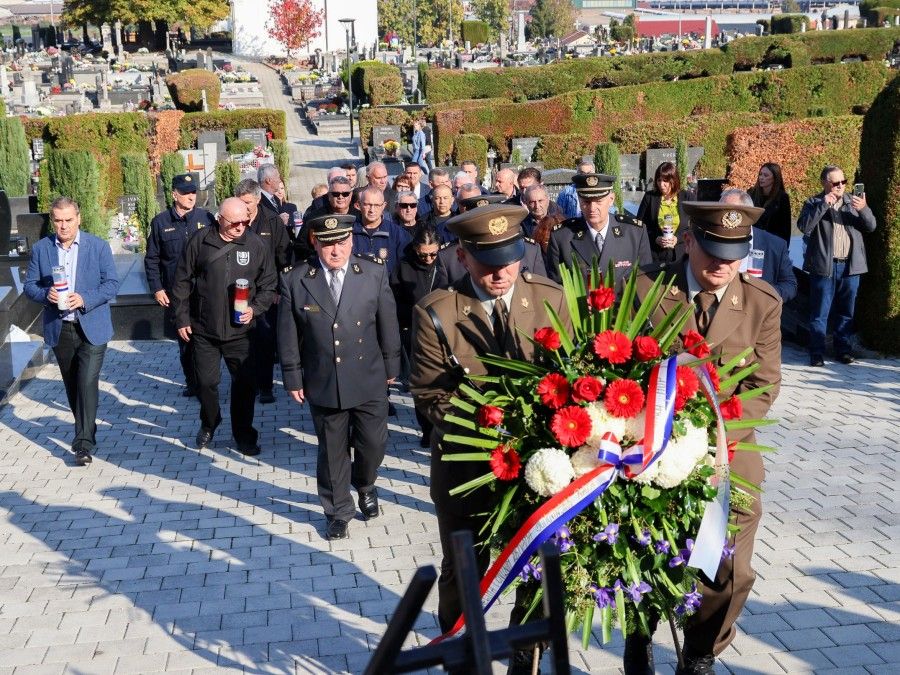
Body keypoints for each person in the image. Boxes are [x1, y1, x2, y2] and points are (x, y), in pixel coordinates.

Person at [409, 204, 569, 672]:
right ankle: (461, 654)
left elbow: (571, 372)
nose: (501, 272)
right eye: (488, 262)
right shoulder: (436, 311)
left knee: (539, 567)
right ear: (462, 257)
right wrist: (488, 424)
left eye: (510, 259)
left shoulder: (549, 300)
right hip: (466, 465)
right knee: (463, 572)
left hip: (540, 467)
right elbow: (430, 392)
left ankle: (526, 655)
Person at [632, 201, 782, 675]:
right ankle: (640, 636)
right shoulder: (645, 288)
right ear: (690, 240)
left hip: (727, 446)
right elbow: (620, 368)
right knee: (643, 548)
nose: (722, 264)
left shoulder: (762, 303)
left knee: (731, 567)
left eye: (734, 254)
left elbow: (764, 384)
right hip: (652, 442)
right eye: (713, 251)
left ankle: (700, 652)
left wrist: (716, 435)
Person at [278, 213, 401, 540]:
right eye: (329, 244)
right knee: (332, 451)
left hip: (369, 375)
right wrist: (293, 376)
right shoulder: (297, 279)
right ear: (316, 242)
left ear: (352, 241)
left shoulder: (372, 273)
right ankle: (337, 511)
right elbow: (287, 334)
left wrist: (393, 367)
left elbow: (388, 320)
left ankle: (365, 482)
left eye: (342, 243)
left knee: (373, 443)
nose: (336, 251)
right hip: (324, 378)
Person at [171, 197, 277, 456]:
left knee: (244, 385)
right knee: (206, 383)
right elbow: (182, 280)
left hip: (241, 331)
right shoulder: (200, 241)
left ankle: (244, 435)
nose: (241, 227)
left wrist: (255, 308)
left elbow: (269, 284)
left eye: (245, 221)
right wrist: (182, 318)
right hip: (204, 328)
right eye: (235, 223)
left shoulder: (256, 245)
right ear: (220, 219)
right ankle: (210, 420)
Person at [23, 197, 120, 466]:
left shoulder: (98, 247)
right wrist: (46, 294)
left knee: (87, 381)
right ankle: (87, 428)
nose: (63, 226)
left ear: (79, 218)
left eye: (68, 220)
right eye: (58, 220)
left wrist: (85, 298)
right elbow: (29, 286)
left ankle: (83, 444)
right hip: (60, 328)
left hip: (92, 326)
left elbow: (112, 284)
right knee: (73, 385)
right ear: (52, 220)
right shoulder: (43, 249)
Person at [797, 164, 876, 366]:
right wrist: (823, 205)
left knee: (846, 312)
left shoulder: (853, 202)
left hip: (850, 267)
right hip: (824, 267)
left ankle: (843, 350)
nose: (840, 186)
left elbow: (871, 226)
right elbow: (804, 227)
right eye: (835, 182)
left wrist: (863, 209)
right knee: (820, 312)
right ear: (825, 183)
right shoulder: (813, 202)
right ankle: (816, 353)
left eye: (843, 182)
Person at [144, 173, 215, 397]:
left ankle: (207, 384)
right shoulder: (160, 223)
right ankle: (192, 383)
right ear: (174, 194)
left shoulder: (206, 218)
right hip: (177, 294)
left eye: (193, 192)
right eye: (185, 193)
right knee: (185, 342)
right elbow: (152, 259)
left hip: (205, 292)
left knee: (205, 341)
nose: (191, 196)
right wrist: (157, 288)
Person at [235, 179, 291, 403]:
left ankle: (266, 387)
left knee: (265, 340)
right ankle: (246, 384)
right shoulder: (233, 220)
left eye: (248, 202)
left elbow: (284, 256)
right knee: (240, 342)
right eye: (240, 201)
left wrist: (278, 289)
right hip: (239, 292)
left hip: (267, 292)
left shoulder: (272, 221)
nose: (244, 206)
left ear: (258, 200)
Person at [546, 173, 651, 288]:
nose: (592, 208)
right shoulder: (562, 237)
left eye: (598, 201)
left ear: (611, 199)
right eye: (586, 202)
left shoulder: (635, 233)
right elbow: (556, 287)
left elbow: (644, 283)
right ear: (579, 200)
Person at [390, 226, 441, 446]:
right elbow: (394, 300)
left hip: (444, 333)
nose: (429, 259)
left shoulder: (445, 263)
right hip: (415, 332)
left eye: (433, 254)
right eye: (423, 255)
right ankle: (427, 429)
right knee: (421, 385)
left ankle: (441, 426)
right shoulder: (403, 267)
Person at [434, 191, 548, 288]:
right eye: (480, 218)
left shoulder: (530, 251)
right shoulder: (448, 258)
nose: (500, 274)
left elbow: (541, 294)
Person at [721, 189, 797, 302]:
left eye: (731, 214)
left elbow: (790, 285)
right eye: (720, 212)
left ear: (750, 215)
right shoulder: (711, 239)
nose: (723, 218)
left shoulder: (775, 245)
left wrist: (764, 296)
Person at [636, 161, 692, 265]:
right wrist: (656, 238)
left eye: (665, 181)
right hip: (655, 256)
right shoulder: (650, 197)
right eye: (659, 180)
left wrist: (678, 238)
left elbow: (695, 226)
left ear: (674, 180)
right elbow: (638, 225)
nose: (661, 185)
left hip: (682, 255)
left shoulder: (687, 197)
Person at [352, 186, 411, 273]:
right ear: (359, 205)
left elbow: (405, 268)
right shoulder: (349, 232)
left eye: (376, 205)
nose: (372, 210)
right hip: (358, 284)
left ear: (384, 206)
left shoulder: (398, 234)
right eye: (367, 205)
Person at [749, 162, 792, 243]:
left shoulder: (782, 197)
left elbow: (786, 226)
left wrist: (784, 248)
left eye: (766, 175)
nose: (761, 178)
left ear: (775, 178)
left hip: (772, 241)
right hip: (753, 240)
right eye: (760, 174)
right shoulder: (751, 193)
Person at [521, 184, 565, 252]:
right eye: (532, 202)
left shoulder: (561, 221)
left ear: (548, 200)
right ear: (526, 203)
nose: (537, 206)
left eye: (540, 201)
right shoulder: (521, 226)